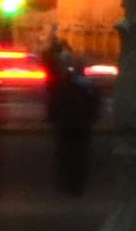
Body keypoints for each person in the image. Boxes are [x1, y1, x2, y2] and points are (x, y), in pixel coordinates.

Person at [43, 38, 101, 196]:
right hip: (82, 125)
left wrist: (52, 117)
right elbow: (95, 103)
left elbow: (56, 101)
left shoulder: (65, 83)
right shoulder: (88, 85)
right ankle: (77, 184)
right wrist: (92, 117)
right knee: (80, 156)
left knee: (66, 155)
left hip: (66, 123)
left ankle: (67, 183)